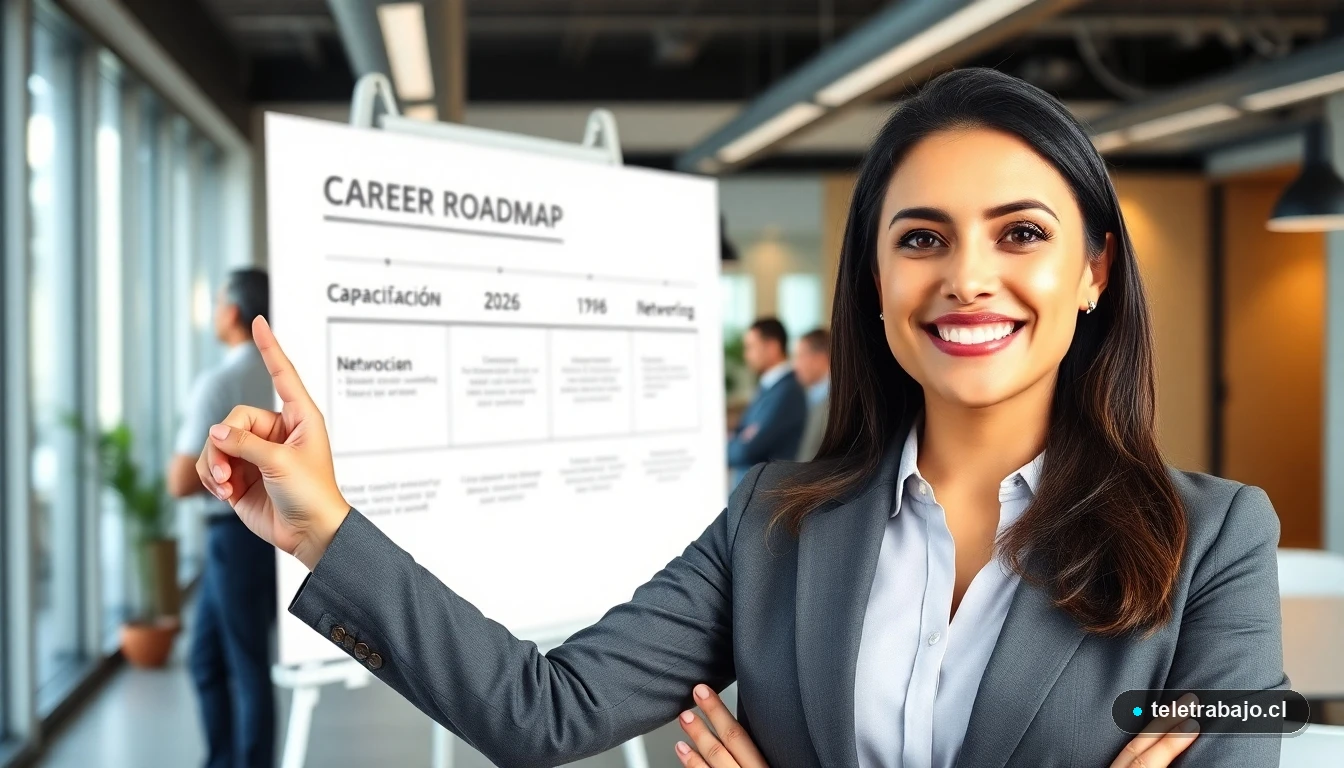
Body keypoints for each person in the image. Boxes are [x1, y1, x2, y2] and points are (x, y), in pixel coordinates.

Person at [195, 69, 1285, 768]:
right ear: (869, 277)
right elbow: (544, 710)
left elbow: (1264, 718)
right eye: (920, 239)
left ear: (1093, 269)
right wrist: (320, 529)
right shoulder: (775, 523)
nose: (967, 277)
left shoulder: (1216, 537)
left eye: (1019, 234)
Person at [168, 268, 276, 768]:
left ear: (232, 312)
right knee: (209, 658)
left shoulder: (220, 381)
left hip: (232, 539)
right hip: (259, 539)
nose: (214, 313)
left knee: (244, 664)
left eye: (216, 303)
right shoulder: (277, 379)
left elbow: (179, 480)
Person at [726, 317, 808, 488]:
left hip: (768, 496)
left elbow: (747, 449)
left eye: (751, 347)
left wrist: (733, 443)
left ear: (772, 347)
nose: (746, 355)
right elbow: (742, 434)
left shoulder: (787, 392)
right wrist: (741, 438)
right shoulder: (768, 388)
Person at [793, 328, 831, 461]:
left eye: (800, 356)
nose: (795, 365)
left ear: (820, 358)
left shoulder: (834, 404)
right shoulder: (814, 397)